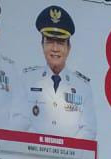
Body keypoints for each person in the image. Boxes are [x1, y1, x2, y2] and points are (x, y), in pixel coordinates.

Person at [11, 5, 97, 140]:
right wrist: (42, 145)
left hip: (70, 153)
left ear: (69, 48)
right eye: (50, 41)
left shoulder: (82, 87)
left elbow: (89, 130)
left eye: (61, 42)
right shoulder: (27, 80)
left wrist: (66, 149)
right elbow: (18, 121)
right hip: (33, 151)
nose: (55, 49)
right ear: (42, 45)